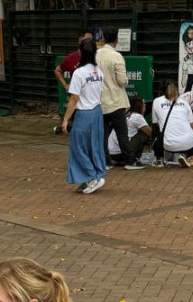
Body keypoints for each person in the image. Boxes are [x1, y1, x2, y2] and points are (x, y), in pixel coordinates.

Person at [61, 38, 107, 195]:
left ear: (80, 52)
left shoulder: (79, 73)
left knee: (78, 147)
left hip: (84, 114)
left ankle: (92, 177)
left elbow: (74, 99)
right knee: (94, 147)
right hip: (97, 113)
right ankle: (92, 177)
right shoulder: (99, 72)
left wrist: (66, 119)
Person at [97, 28, 141, 170]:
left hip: (100, 100)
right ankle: (129, 160)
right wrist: (126, 80)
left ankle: (105, 161)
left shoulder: (95, 55)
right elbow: (122, 81)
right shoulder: (116, 56)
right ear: (116, 39)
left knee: (102, 133)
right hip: (116, 101)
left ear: (103, 38)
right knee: (122, 132)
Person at [151, 80, 193, 166]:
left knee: (156, 132)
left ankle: (159, 159)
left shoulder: (157, 101)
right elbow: (192, 125)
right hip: (189, 144)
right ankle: (184, 154)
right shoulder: (184, 103)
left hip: (168, 145)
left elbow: (156, 123)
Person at [109, 96, 151, 166]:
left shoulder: (125, 114)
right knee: (143, 134)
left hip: (112, 153)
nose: (145, 106)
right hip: (122, 153)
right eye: (144, 104)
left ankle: (119, 161)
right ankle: (134, 160)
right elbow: (150, 133)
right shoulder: (137, 117)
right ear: (139, 106)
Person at [54, 30, 92, 94]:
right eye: (87, 41)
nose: (90, 44)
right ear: (80, 42)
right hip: (78, 98)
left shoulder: (98, 56)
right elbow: (57, 71)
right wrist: (65, 85)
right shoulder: (71, 58)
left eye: (91, 41)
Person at [181, 25, 193, 96]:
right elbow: (184, 69)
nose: (192, 45)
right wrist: (183, 79)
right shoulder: (186, 57)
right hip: (189, 74)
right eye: (189, 44)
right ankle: (186, 96)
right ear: (186, 46)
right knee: (189, 86)